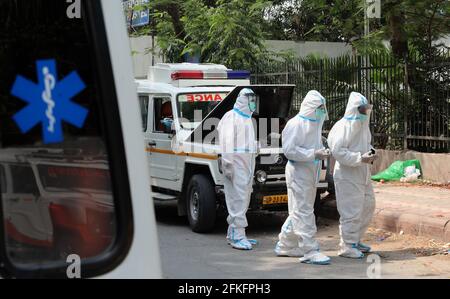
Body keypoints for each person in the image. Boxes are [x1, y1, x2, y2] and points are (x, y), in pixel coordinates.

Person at [275, 90, 331, 265]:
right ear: (311, 108)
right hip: (298, 172)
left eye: (323, 107)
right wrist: (313, 154)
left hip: (309, 173)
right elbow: (290, 150)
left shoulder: (314, 124)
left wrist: (321, 152)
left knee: (298, 210)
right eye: (320, 108)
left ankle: (284, 245)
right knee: (304, 212)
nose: (322, 111)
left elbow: (311, 147)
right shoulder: (295, 124)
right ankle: (310, 250)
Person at [327, 92, 377, 259]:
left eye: (367, 109)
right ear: (355, 109)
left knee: (368, 205)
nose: (365, 112)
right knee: (351, 210)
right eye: (362, 109)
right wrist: (359, 158)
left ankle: (356, 239)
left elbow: (367, 144)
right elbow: (338, 151)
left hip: (362, 173)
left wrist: (371, 153)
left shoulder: (363, 126)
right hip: (347, 174)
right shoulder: (343, 127)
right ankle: (347, 245)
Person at [217, 88, 258, 250]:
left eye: (254, 99)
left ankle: (234, 233)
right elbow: (226, 143)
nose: (253, 102)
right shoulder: (231, 117)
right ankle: (237, 236)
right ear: (243, 100)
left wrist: (255, 147)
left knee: (244, 196)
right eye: (250, 99)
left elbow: (245, 142)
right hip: (235, 164)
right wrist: (228, 164)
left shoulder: (247, 118)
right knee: (238, 198)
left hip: (247, 163)